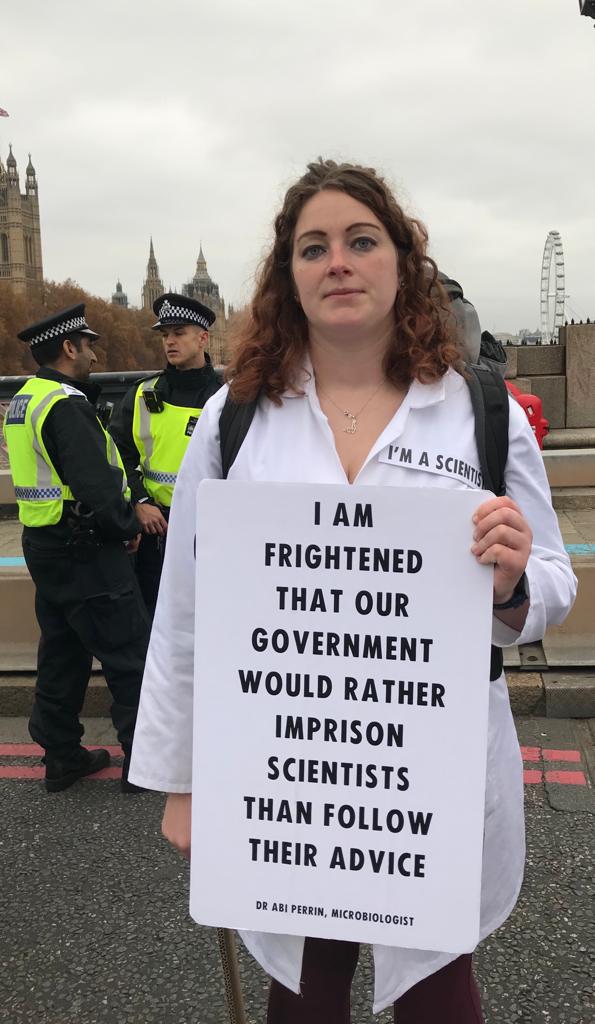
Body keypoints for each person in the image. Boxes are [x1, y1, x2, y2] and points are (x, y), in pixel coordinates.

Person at [128, 160, 576, 1020]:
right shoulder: (235, 419)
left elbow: (549, 584)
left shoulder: (481, 410)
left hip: (429, 756)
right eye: (313, 247)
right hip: (289, 752)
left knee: (438, 983)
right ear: (287, 278)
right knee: (304, 981)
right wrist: (184, 781)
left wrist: (514, 581)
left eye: (360, 241)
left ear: (401, 264)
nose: (338, 261)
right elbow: (186, 611)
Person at [3, 305, 150, 794]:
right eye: (87, 345)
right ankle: (141, 764)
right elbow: (96, 484)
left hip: (44, 545)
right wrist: (126, 525)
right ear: (69, 348)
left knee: (62, 653)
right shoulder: (66, 404)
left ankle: (61, 756)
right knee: (127, 652)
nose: (91, 353)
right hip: (86, 549)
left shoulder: (25, 400)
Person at [109, 292, 222, 617]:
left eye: (179, 333)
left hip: (208, 529)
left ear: (202, 338)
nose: (169, 341)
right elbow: (117, 455)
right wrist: (140, 503)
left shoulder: (225, 398)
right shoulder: (142, 395)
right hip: (156, 531)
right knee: (154, 618)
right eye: (165, 334)